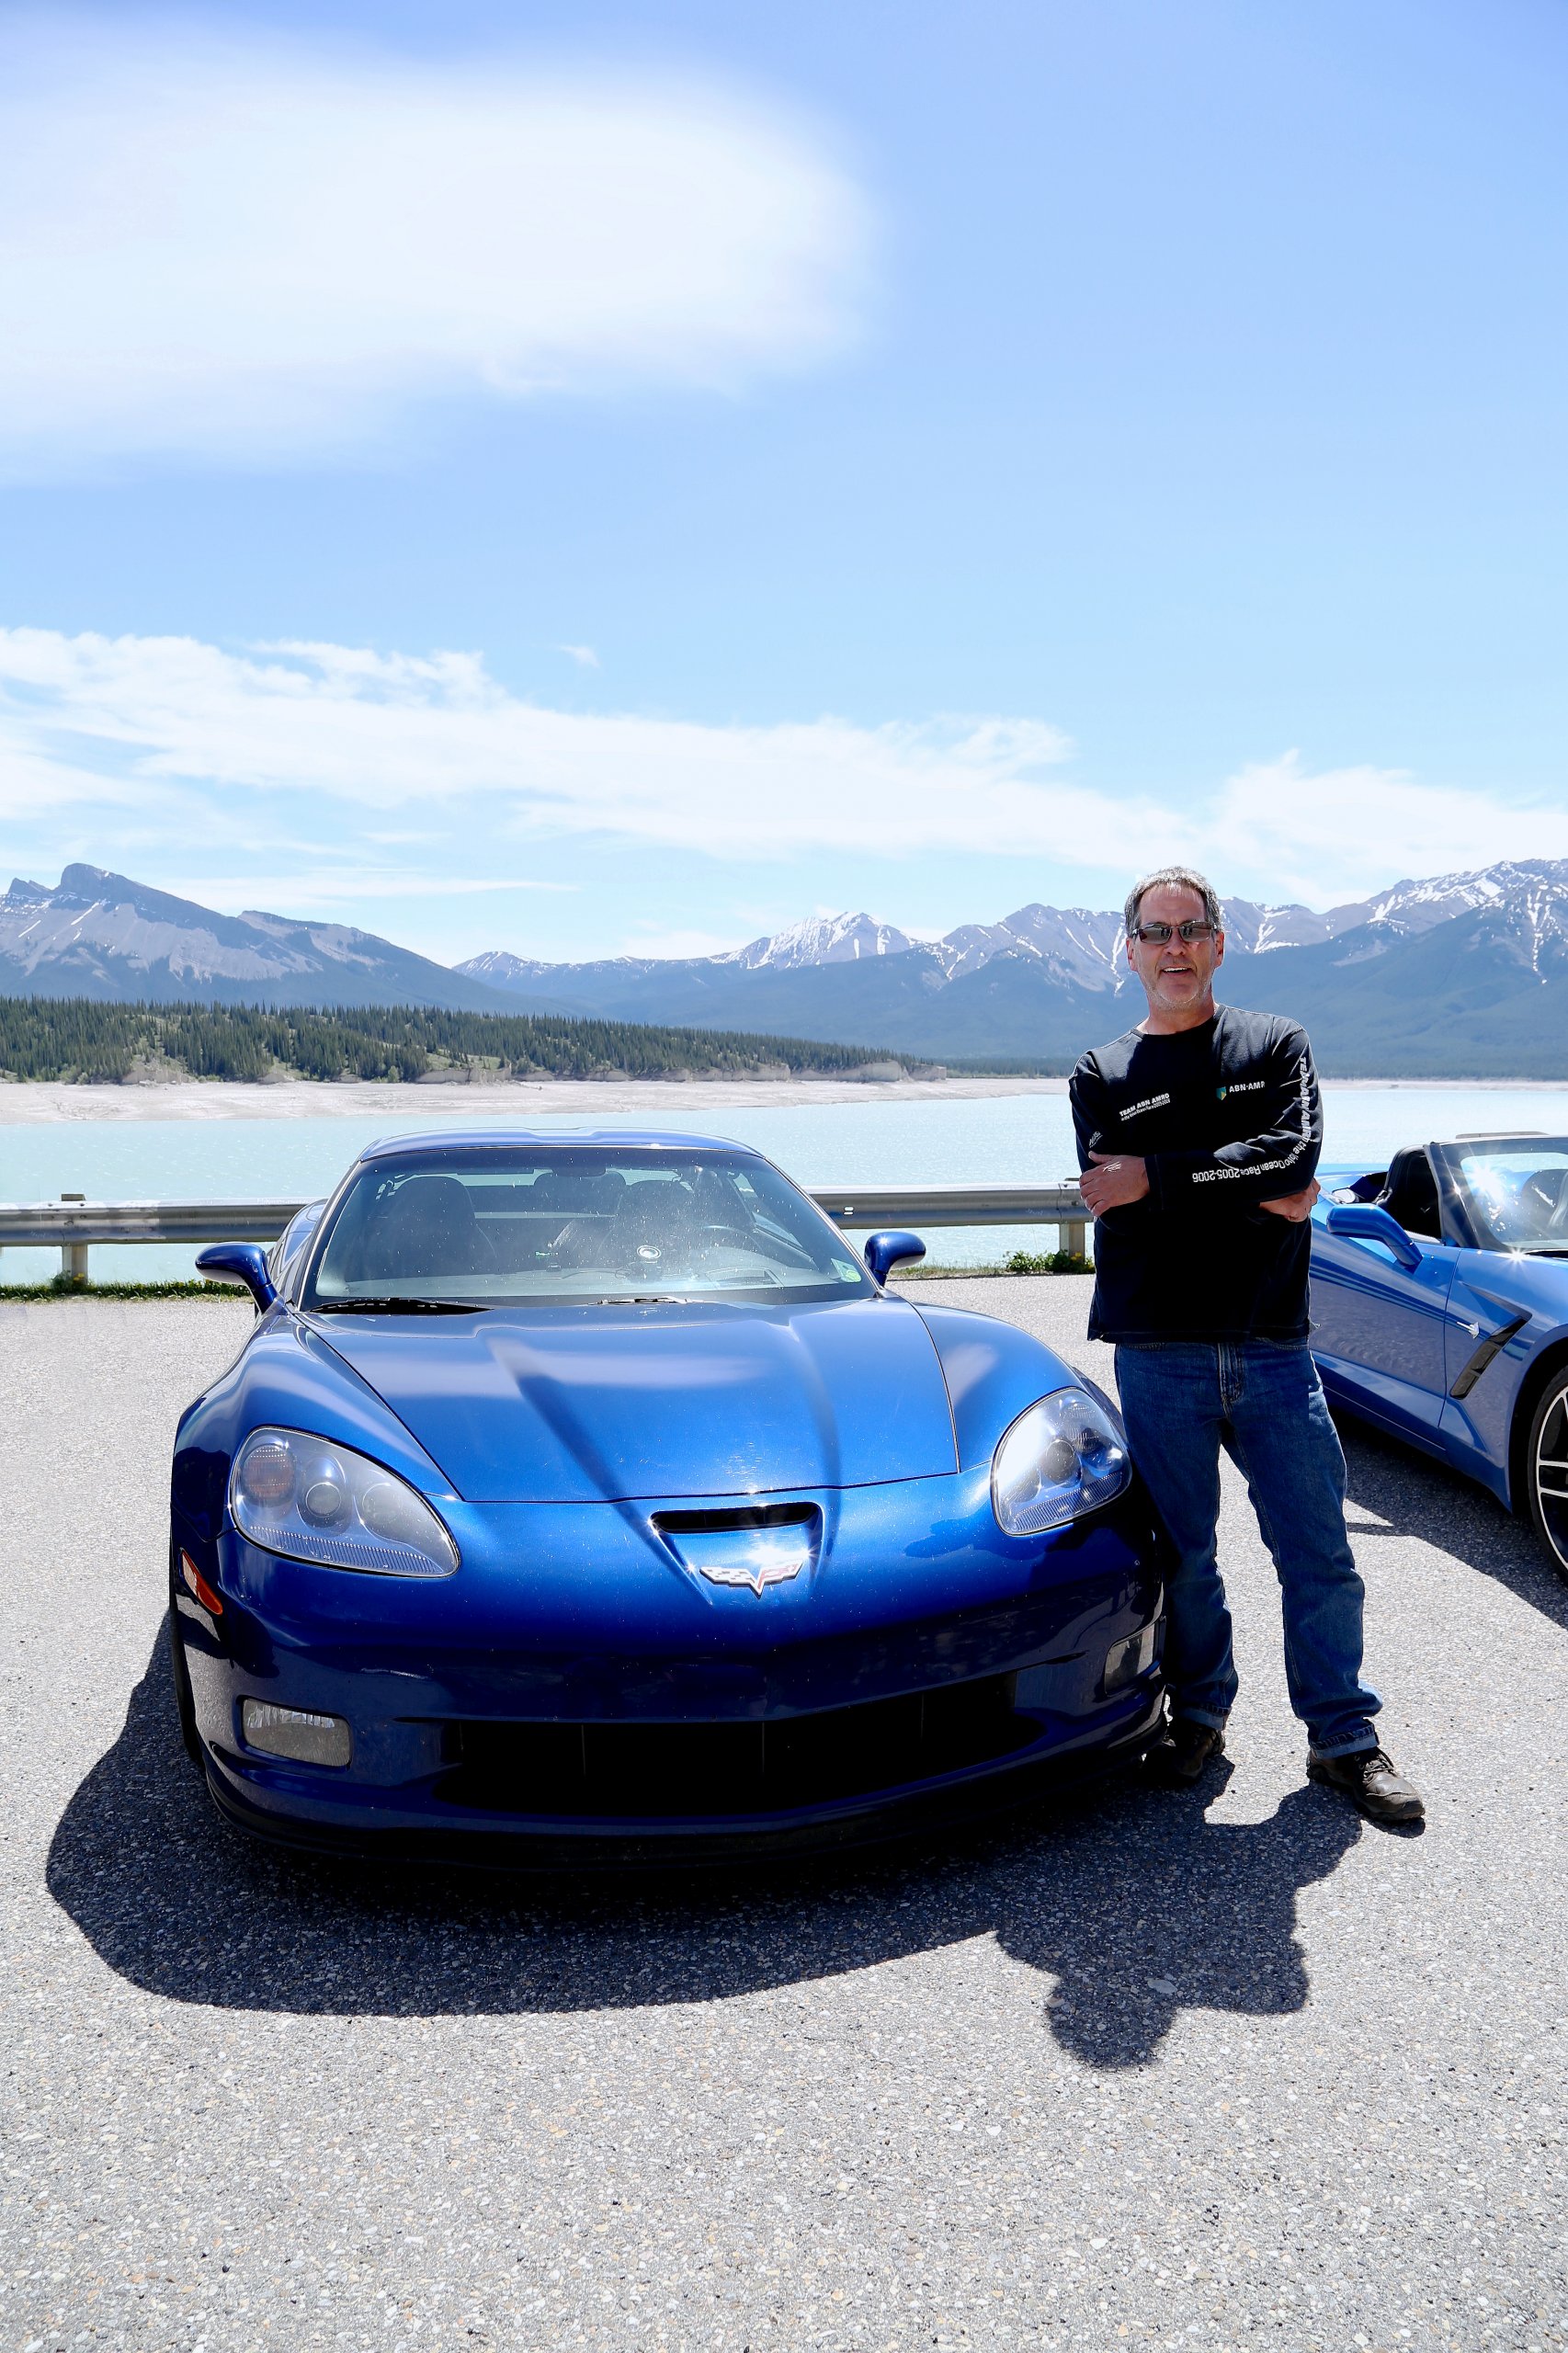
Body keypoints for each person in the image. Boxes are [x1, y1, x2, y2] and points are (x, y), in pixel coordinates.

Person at [1070, 864, 1424, 1826]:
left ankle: (1343, 1741)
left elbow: (1295, 1165)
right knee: (1183, 1555)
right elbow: (1124, 1203)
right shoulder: (1101, 1073)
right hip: (1156, 1350)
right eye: (1155, 932)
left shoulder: (1274, 1044)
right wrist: (1234, 1188)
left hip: (1271, 1349)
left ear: (1219, 942)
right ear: (1131, 949)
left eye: (1190, 929)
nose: (1174, 947)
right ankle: (1198, 1717)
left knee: (1316, 1555)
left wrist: (1159, 1178)